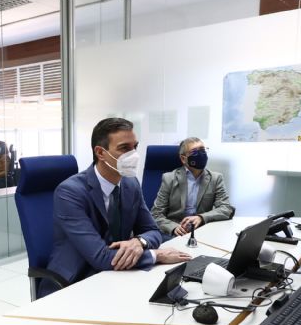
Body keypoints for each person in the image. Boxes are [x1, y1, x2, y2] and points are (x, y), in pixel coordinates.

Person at [43, 118, 192, 298]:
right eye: (124, 148)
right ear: (100, 152)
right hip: (75, 282)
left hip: (118, 274)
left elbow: (153, 231)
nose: (133, 154)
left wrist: (139, 242)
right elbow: (100, 257)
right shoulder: (69, 192)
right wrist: (156, 255)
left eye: (134, 147)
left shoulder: (131, 184)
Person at [151, 137, 234, 241]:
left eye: (203, 150)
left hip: (202, 231)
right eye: (194, 151)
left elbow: (226, 209)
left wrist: (201, 217)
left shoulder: (215, 178)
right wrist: (173, 227)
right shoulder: (169, 178)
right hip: (174, 232)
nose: (201, 155)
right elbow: (156, 214)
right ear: (183, 158)